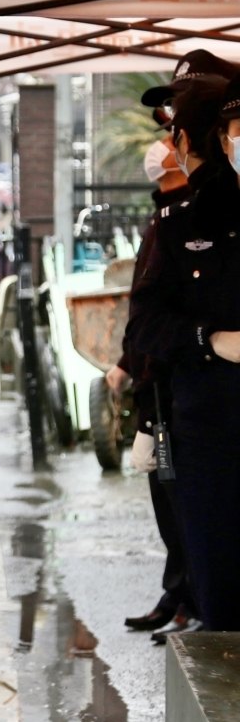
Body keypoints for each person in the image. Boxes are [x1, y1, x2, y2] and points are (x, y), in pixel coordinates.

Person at [127, 62, 240, 633]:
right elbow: (142, 327)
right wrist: (210, 341)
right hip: (209, 431)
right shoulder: (179, 224)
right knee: (219, 594)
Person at [110, 133, 198, 643]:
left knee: (183, 498)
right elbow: (146, 312)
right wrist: (127, 364)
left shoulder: (190, 216)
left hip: (176, 383)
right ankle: (179, 593)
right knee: (168, 497)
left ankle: (192, 598)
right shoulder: (164, 218)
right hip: (155, 387)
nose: (161, 144)